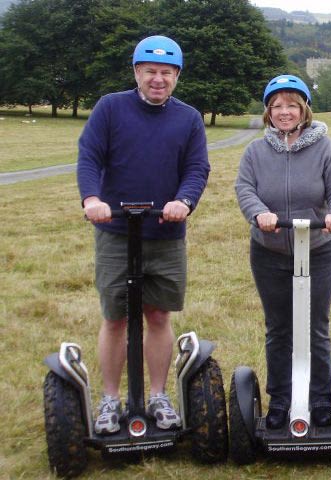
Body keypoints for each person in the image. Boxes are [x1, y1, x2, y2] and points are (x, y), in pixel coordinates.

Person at [77, 35, 210, 435]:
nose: (157, 79)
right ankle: (109, 399)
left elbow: (196, 168)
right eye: (150, 71)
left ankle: (157, 395)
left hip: (165, 232)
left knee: (158, 315)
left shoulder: (188, 118)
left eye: (166, 73)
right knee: (116, 317)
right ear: (136, 72)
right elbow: (90, 155)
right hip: (116, 230)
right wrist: (92, 198)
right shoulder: (111, 108)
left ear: (177, 76)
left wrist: (184, 201)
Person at [235, 74, 331, 429]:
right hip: (269, 252)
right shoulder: (256, 151)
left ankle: (319, 401)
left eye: (292, 105)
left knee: (315, 326)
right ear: (268, 113)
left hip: (318, 249)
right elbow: (245, 189)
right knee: (279, 328)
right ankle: (280, 401)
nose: (284, 112)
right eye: (277, 106)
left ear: (304, 110)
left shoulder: (325, 148)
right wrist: (259, 213)